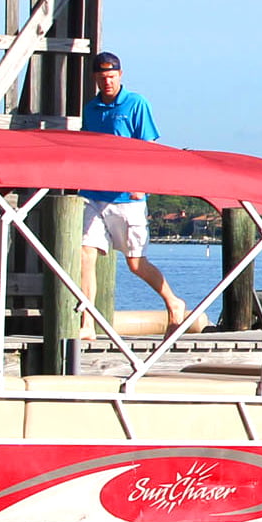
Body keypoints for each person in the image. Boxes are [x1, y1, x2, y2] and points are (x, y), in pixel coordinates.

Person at [77, 53, 189, 326]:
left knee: (135, 264)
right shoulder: (90, 109)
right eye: (102, 77)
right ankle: (88, 323)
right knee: (84, 254)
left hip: (128, 197)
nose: (108, 82)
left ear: (120, 75)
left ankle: (174, 303)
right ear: (95, 78)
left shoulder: (136, 104)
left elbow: (149, 148)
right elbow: (87, 148)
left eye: (112, 77)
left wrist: (142, 183)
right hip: (94, 194)